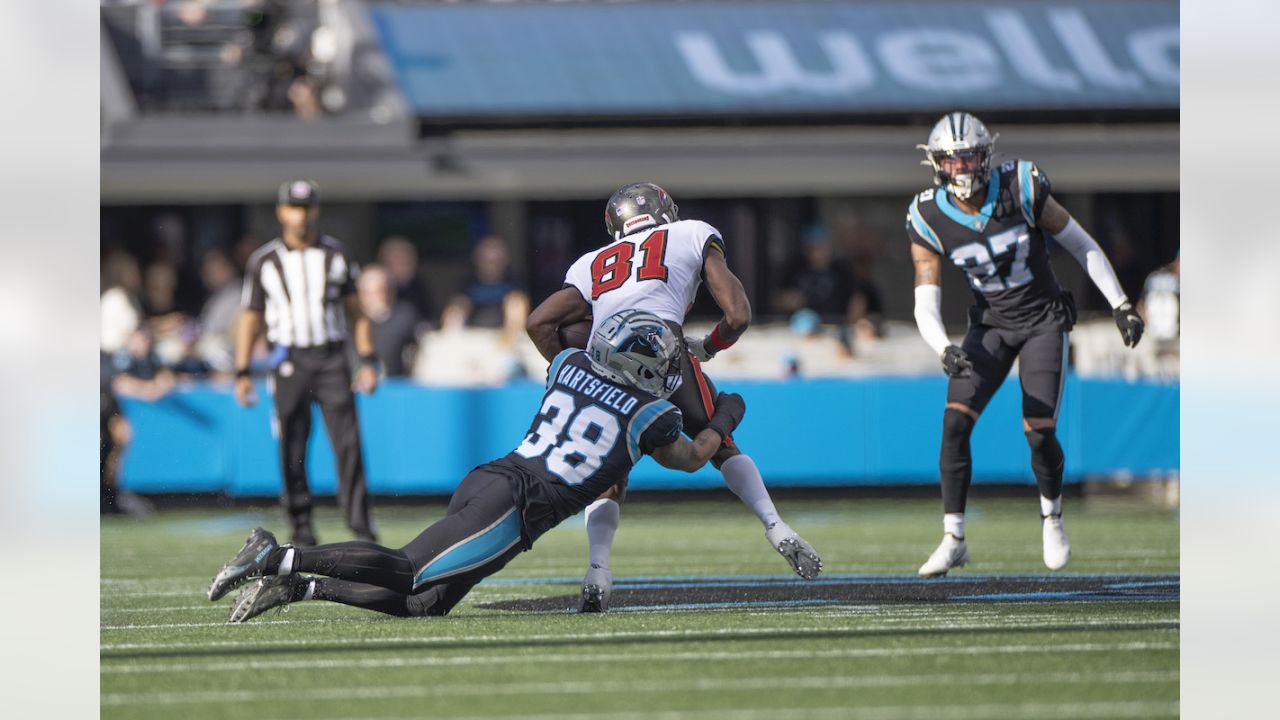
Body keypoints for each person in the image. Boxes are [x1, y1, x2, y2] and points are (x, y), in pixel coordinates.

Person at [208, 310, 746, 622]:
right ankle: (276, 555)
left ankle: (299, 587)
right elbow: (694, 458)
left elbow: (558, 329)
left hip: (491, 479)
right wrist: (726, 412)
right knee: (408, 569)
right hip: (516, 506)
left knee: (427, 604)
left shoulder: (568, 362)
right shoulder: (649, 413)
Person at [527, 182, 822, 612]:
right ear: (665, 211)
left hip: (606, 361)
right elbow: (738, 314)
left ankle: (598, 568)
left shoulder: (590, 262)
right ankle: (775, 525)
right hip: (665, 352)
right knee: (720, 446)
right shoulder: (691, 233)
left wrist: (573, 373)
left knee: (610, 479)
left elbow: (539, 323)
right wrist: (711, 345)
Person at [905, 112, 1144, 576]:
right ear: (936, 164)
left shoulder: (1019, 186)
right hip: (990, 327)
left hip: (1042, 320)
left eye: (968, 158)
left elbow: (1081, 243)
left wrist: (1120, 304)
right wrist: (942, 347)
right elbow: (924, 296)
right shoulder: (928, 215)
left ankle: (1052, 516)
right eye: (950, 162)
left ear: (986, 156)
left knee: (1039, 432)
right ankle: (954, 536)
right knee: (954, 424)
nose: (961, 170)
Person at [234, 179, 381, 546]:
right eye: (294, 208)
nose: (301, 215)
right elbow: (250, 316)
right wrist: (242, 370)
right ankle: (301, 525)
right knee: (292, 443)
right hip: (289, 358)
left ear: (316, 211)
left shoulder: (337, 256)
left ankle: (360, 524)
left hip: (331, 357)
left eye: (307, 207)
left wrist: (366, 359)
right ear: (282, 212)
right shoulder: (264, 261)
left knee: (348, 443)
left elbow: (356, 313)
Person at [356, 264, 421, 377]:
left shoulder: (405, 316)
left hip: (397, 386)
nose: (374, 297)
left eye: (380, 290)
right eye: (368, 292)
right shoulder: (348, 323)